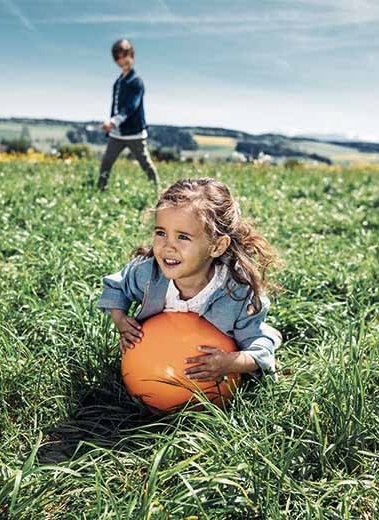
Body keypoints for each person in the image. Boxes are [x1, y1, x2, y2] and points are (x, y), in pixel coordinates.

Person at [97, 178, 282, 381]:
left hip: (217, 372)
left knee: (261, 337)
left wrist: (230, 363)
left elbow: (259, 348)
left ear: (217, 247)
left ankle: (273, 335)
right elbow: (116, 286)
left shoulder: (238, 293)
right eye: (161, 233)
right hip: (157, 359)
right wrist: (121, 320)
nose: (168, 246)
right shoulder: (148, 273)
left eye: (183, 237)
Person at [98, 38, 159, 191]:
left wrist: (113, 121)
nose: (123, 60)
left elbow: (131, 106)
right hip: (117, 134)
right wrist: (112, 125)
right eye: (118, 57)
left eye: (125, 55)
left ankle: (157, 190)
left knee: (145, 163)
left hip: (134, 133)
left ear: (131, 55)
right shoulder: (118, 83)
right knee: (106, 162)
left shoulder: (136, 82)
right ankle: (100, 189)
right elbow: (115, 107)